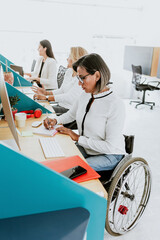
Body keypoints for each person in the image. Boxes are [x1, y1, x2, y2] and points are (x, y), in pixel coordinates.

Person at [43, 53, 126, 172]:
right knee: (58, 160)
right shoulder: (85, 95)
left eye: (82, 78)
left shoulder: (115, 104)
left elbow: (110, 146)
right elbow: (71, 114)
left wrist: (77, 137)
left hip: (109, 155)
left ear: (97, 76)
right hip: (87, 148)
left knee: (72, 169)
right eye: (78, 78)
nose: (79, 83)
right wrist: (56, 120)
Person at [32, 47, 88, 115]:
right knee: (37, 108)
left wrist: (46, 98)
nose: (67, 59)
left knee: (40, 111)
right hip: (60, 105)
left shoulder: (81, 78)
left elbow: (69, 97)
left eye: (69, 56)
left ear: (76, 59)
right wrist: (46, 93)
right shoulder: (69, 72)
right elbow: (61, 90)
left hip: (69, 110)